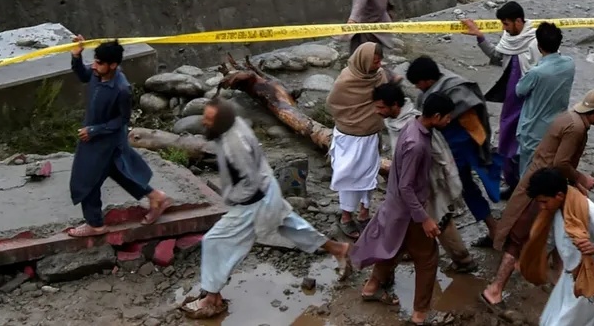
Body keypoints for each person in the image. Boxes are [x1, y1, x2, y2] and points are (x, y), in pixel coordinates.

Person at [183, 99, 350, 320]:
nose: (204, 122)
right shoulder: (234, 125)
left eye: (209, 119)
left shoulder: (235, 145)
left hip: (253, 201)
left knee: (214, 241)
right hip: (267, 187)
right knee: (294, 227)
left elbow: (249, 183)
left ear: (221, 122)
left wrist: (237, 205)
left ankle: (212, 299)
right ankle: (339, 249)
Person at [481, 90, 594, 309]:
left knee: (556, 237)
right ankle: (494, 289)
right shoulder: (577, 129)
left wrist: (574, 183)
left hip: (546, 182)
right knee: (518, 240)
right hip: (544, 187)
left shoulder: (569, 117)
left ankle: (559, 285)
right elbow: (561, 162)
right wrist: (581, 178)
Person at [350, 92, 451, 325]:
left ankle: (371, 287)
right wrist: (424, 218)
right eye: (447, 117)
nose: (449, 122)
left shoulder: (411, 125)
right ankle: (420, 314)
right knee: (427, 259)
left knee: (391, 249)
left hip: (395, 207)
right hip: (409, 211)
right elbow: (407, 187)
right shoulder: (417, 145)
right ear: (436, 116)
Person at [68, 38, 168, 237]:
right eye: (94, 61)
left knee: (86, 180)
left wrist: (94, 130)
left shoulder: (121, 89)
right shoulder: (97, 74)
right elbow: (83, 75)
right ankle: (156, 197)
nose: (94, 66)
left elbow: (122, 120)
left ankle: (95, 224)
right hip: (96, 137)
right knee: (119, 170)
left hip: (104, 140)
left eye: (99, 63)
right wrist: (76, 56)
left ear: (113, 65)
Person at [376, 83, 477, 272]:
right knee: (423, 221)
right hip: (412, 183)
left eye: (381, 107)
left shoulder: (411, 127)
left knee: (438, 219)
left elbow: (435, 155)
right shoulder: (404, 123)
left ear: (395, 105)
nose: (377, 111)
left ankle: (462, 260)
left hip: (427, 181)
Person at [405, 56, 500, 243]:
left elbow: (473, 119)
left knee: (461, 188)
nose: (417, 88)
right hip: (449, 147)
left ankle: (493, 230)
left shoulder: (455, 89)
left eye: (418, 83)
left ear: (428, 80)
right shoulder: (433, 90)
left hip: (458, 148)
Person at [523, 167, 594, 326]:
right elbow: (552, 240)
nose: (542, 207)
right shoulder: (556, 210)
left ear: (559, 196)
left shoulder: (588, 210)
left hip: (588, 281)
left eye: (544, 202)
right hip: (568, 280)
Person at [461, 2, 540, 192]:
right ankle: (513, 183)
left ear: (519, 21)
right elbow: (497, 57)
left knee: (528, 143)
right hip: (511, 102)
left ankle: (530, 184)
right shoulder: (509, 39)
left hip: (531, 101)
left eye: (506, 24)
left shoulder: (536, 41)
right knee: (506, 140)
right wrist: (480, 36)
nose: (504, 28)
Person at [327, 41, 390, 238]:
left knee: (369, 177)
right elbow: (334, 105)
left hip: (370, 137)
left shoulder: (379, 77)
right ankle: (346, 217)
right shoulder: (345, 81)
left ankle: (364, 213)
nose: (378, 65)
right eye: (374, 62)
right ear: (363, 60)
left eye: (380, 61)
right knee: (349, 177)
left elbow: (386, 99)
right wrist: (354, 120)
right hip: (349, 139)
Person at [514, 23, 575, 178]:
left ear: (539, 46)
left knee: (528, 175)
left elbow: (519, 91)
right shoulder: (570, 64)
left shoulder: (536, 73)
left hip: (534, 130)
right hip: (558, 126)